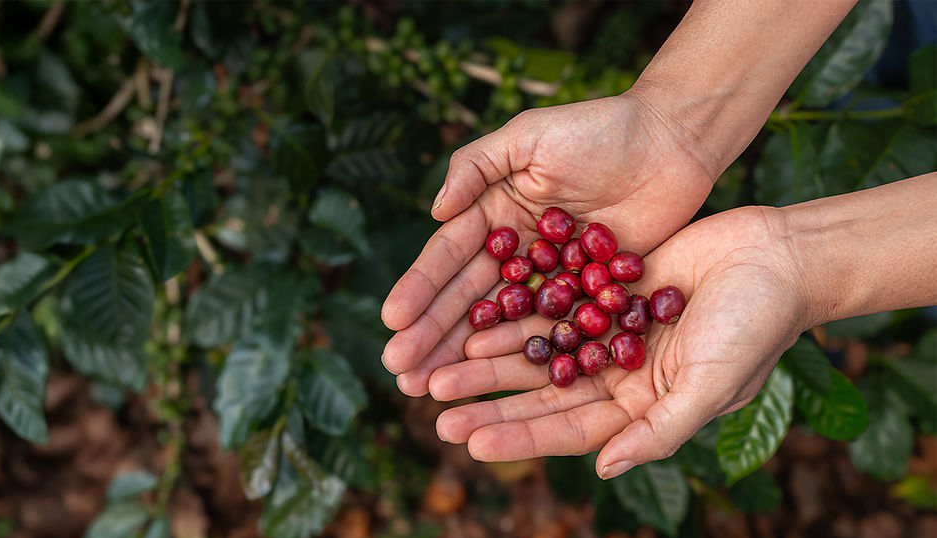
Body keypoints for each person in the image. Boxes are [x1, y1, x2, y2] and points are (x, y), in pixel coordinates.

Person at [380, 0, 937, 479]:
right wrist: (668, 120)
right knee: (902, 50)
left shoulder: (592, 299)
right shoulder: (582, 289)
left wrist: (805, 268)